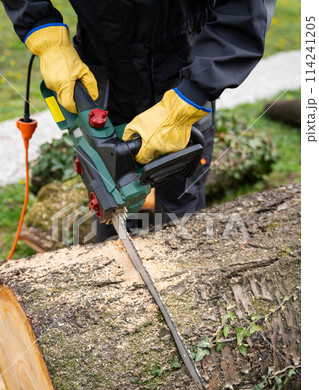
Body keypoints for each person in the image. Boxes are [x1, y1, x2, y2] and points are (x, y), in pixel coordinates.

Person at [1, 0, 276, 238]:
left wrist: (191, 97)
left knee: (181, 200)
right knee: (110, 198)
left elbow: (247, 9)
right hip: (102, 66)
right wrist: (44, 31)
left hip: (185, 67)